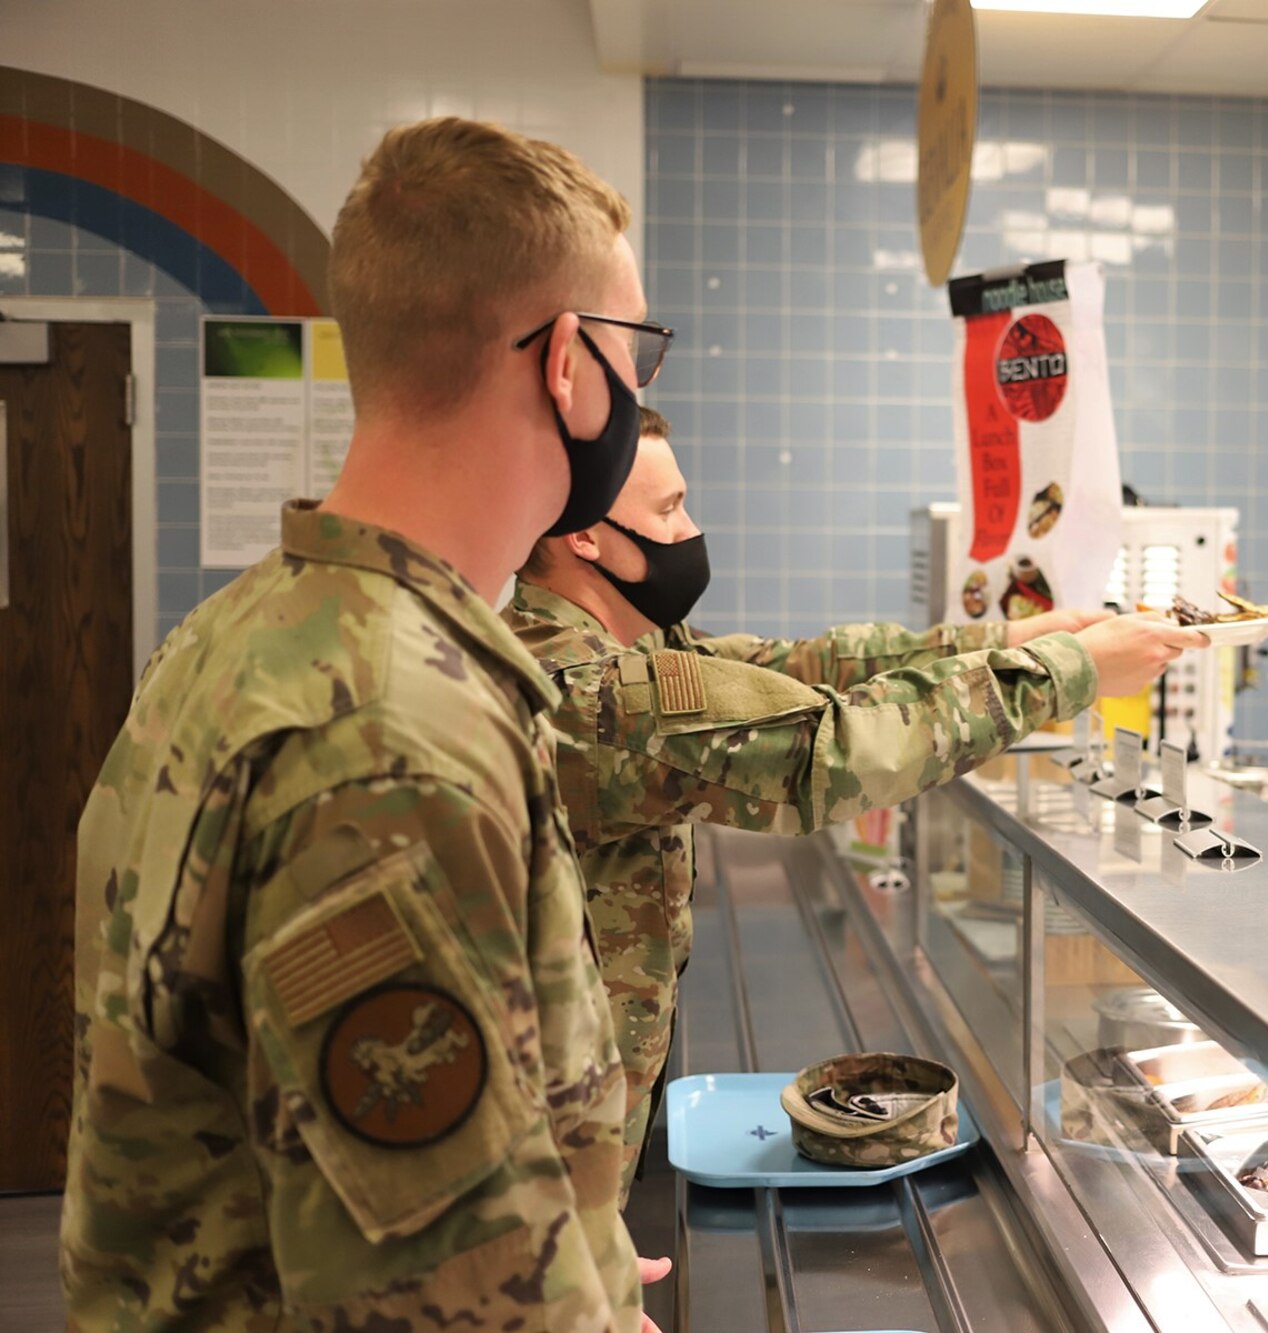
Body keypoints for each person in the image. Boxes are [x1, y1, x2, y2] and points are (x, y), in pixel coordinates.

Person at [62, 118, 670, 1329]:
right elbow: (440, 1300)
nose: (641, 386)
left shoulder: (251, 628)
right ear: (565, 363)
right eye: (635, 349)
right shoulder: (394, 733)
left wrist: (584, 1259)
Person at [507, 406, 1206, 1187]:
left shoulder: (627, 647)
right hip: (551, 1161)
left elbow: (804, 667)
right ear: (584, 534)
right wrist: (1063, 673)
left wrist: (1009, 642)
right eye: (669, 509)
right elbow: (835, 751)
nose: (692, 528)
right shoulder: (593, 691)